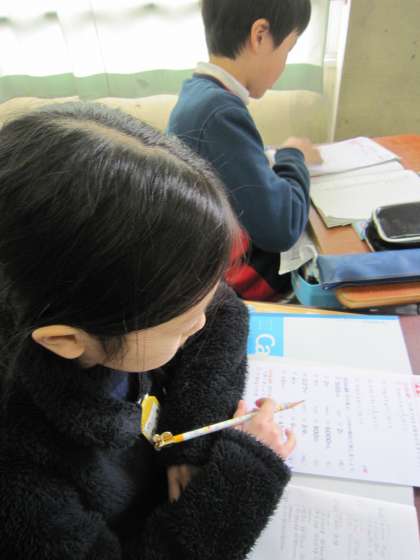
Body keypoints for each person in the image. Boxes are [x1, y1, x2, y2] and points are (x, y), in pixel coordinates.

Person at [0, 103, 296, 559]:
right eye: (180, 326)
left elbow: (223, 313)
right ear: (66, 340)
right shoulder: (19, 478)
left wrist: (189, 442)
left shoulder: (105, 302)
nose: (201, 322)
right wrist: (243, 476)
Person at [168, 0, 321, 301]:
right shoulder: (218, 113)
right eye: (288, 49)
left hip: (214, 265)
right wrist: (293, 156)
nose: (284, 64)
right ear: (260, 35)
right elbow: (281, 229)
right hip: (233, 286)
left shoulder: (199, 93)